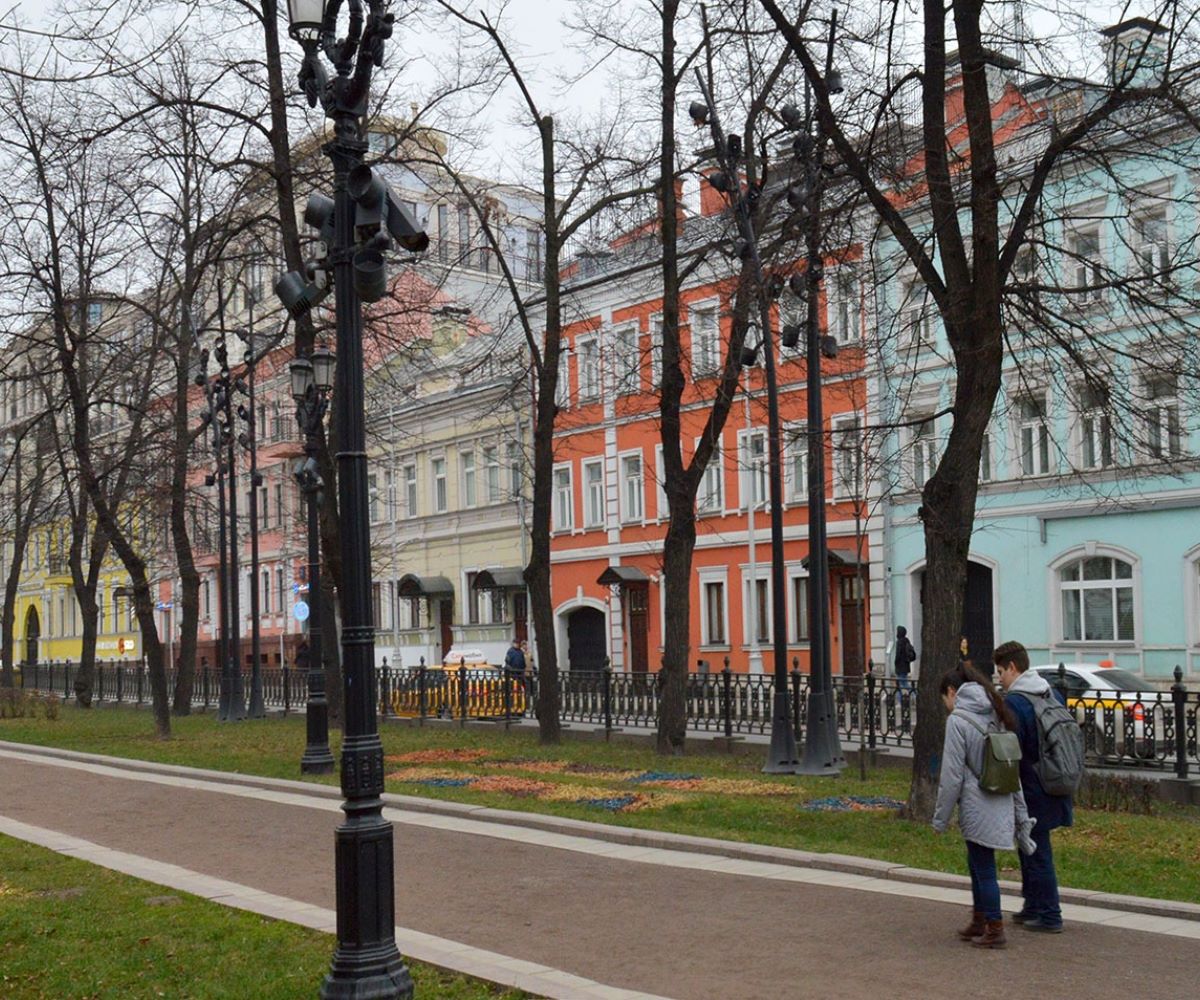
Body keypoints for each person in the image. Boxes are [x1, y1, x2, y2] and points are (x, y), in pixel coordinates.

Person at [932, 662, 1036, 949]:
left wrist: (940, 819)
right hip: (1000, 796)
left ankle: (993, 926)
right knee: (978, 863)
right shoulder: (994, 711)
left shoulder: (958, 721)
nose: (946, 705)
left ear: (952, 692)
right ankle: (981, 919)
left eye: (944, 699)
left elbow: (951, 776)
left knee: (983, 867)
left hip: (977, 803)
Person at [995, 639, 1073, 933]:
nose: (999, 678)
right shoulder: (1048, 692)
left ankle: (1049, 913)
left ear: (1013, 668)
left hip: (1031, 786)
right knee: (1031, 848)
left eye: (1000, 671)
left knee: (1037, 850)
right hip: (1052, 779)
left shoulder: (1016, 701)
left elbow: (1012, 748)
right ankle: (1032, 906)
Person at [503, 637, 527, 714]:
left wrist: (523, 669)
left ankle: (521, 707)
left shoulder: (520, 652)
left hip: (520, 673)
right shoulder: (510, 651)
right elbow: (507, 661)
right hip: (513, 674)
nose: (517, 644)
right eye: (516, 643)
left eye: (518, 643)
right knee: (513, 691)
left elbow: (523, 662)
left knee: (521, 690)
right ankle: (513, 707)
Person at [893, 626, 916, 694]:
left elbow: (898, 655)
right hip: (906, 666)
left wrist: (896, 663)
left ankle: (915, 695)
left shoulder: (899, 642)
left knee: (900, 684)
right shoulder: (906, 641)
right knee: (903, 683)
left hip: (900, 667)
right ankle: (914, 694)